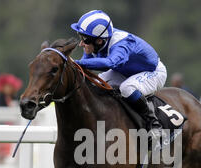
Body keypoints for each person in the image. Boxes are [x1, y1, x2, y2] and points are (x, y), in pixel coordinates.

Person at [71, 10, 167, 140]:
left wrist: (76, 62)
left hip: (153, 72)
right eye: (81, 37)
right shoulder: (97, 40)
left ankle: (154, 124)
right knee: (96, 83)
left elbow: (110, 63)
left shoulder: (121, 43)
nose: (81, 43)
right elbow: (85, 68)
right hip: (125, 71)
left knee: (127, 88)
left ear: (99, 41)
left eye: (85, 39)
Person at [0, 73, 22, 167]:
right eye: (6, 86)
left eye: (10, 87)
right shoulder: (0, 98)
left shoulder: (14, 98)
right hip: (1, 125)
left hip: (10, 126)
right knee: (0, 151)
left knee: (6, 151)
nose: (8, 89)